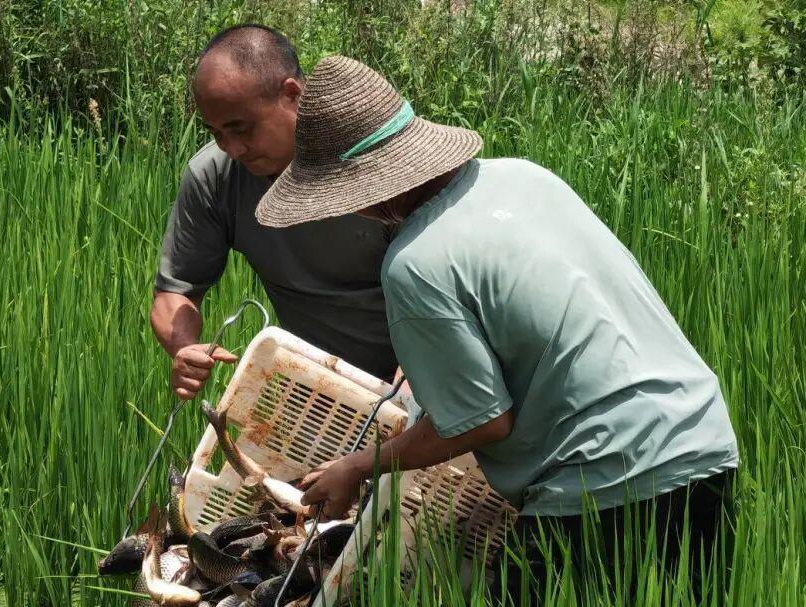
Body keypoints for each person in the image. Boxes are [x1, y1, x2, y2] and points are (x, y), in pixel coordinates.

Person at [256, 55, 739, 602]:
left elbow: (482, 423)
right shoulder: (525, 177)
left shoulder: (414, 263)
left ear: (363, 191)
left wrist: (357, 467)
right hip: (701, 440)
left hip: (602, 476)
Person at [152, 25, 400, 400]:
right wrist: (184, 346)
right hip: (315, 386)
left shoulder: (374, 159)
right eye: (217, 132)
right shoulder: (216, 177)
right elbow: (174, 292)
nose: (231, 148)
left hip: (425, 374)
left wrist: (412, 389)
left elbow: (451, 298)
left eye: (241, 128)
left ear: (292, 95)